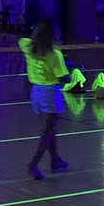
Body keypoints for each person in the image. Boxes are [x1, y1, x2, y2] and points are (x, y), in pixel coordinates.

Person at [18, 19, 74, 181]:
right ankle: (33, 164)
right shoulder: (54, 54)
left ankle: (55, 160)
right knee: (48, 131)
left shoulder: (27, 45)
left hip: (35, 91)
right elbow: (64, 79)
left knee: (51, 128)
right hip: (50, 93)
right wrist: (71, 71)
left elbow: (22, 38)